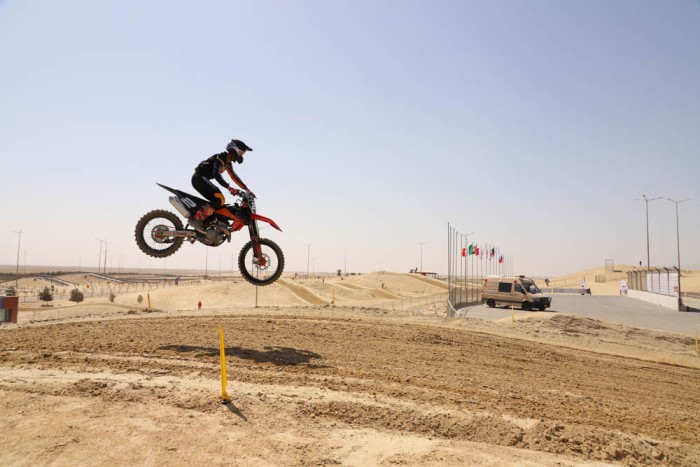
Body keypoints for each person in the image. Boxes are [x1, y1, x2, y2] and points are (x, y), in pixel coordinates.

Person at [190, 139, 254, 233]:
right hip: (199, 178)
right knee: (220, 199)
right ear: (234, 149)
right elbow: (216, 174)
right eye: (241, 153)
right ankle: (196, 218)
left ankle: (207, 222)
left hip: (201, 179)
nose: (241, 155)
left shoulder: (227, 163)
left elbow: (234, 177)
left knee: (219, 201)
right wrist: (228, 187)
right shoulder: (221, 158)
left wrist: (247, 189)